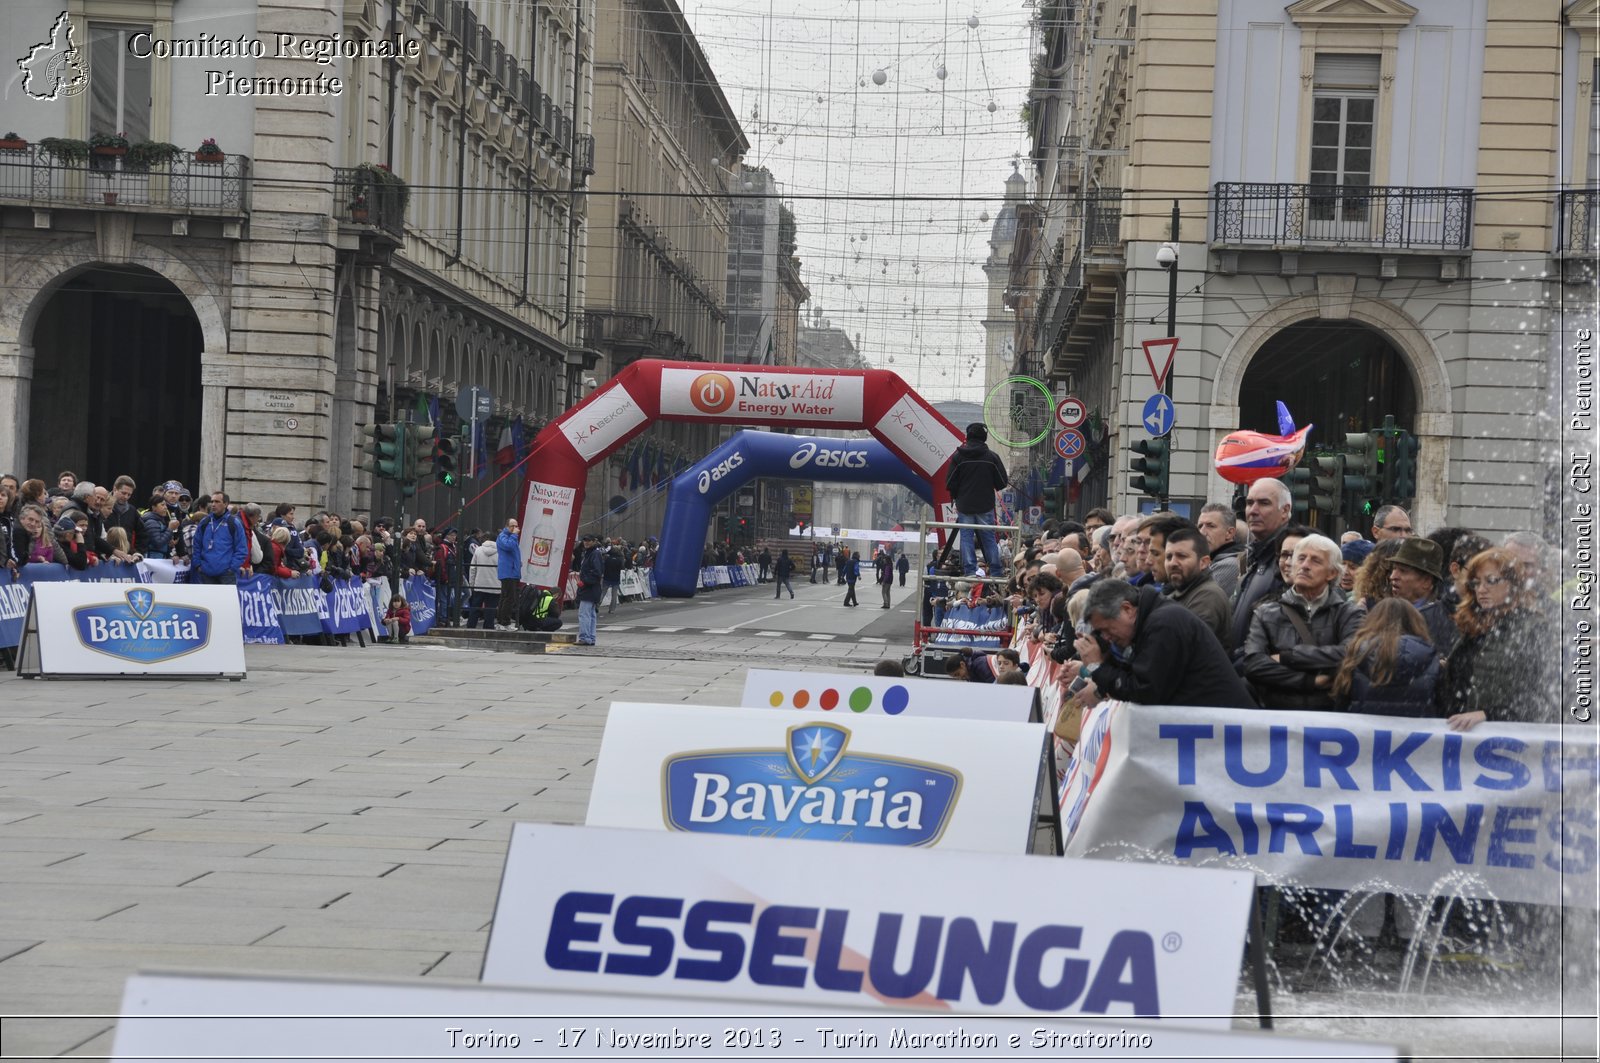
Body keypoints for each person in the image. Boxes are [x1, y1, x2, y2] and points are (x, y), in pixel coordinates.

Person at [1071, 579, 1254, 708]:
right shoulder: (1150, 621)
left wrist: (1097, 667)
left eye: (1107, 629)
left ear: (1127, 609)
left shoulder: (1164, 624)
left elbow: (1145, 692)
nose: (1106, 637)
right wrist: (1107, 658)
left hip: (1230, 736)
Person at [1241, 534, 1364, 711]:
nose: (1305, 566)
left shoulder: (1349, 614)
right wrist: (1310, 681)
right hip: (1276, 716)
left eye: (1315, 561)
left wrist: (1287, 657)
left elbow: (1351, 655)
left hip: (1330, 719)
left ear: (1332, 573)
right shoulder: (1266, 613)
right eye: (1301, 558)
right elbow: (1253, 664)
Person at [1440, 548, 1551, 728]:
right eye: (1476, 583)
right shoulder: (1473, 626)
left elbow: (1542, 696)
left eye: (1491, 581)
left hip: (1510, 740)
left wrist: (1488, 715)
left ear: (1513, 583)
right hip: (1462, 737)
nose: (1481, 590)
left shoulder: (1534, 627)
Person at [1331, 598, 1441, 717]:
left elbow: (1341, 708)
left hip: (1365, 733)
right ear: (1416, 622)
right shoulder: (1430, 657)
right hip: (1420, 732)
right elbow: (1443, 706)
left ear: (1372, 621)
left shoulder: (1356, 655)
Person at [1229, 478, 1294, 653]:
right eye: (1249, 503)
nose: (1253, 511)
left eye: (1264, 503)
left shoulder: (1292, 562)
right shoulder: (1253, 557)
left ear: (1285, 511)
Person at [945, 422, 1008, 578]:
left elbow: (950, 482)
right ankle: (995, 571)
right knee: (988, 538)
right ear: (984, 437)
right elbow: (1002, 481)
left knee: (966, 537)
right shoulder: (992, 457)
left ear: (968, 436)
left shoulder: (958, 457)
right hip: (985, 504)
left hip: (965, 504)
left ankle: (970, 571)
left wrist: (957, 495)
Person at [1162, 527, 1232, 652]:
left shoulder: (1209, 596)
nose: (1172, 563)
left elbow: (1182, 647)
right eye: (1168, 557)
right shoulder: (1177, 593)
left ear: (1204, 562)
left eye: (1181, 556)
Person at [1387, 537, 1460, 657]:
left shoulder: (1440, 620)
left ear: (1426, 581)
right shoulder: (1385, 609)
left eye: (1403, 571)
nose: (1393, 576)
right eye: (1394, 569)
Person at [190, 492, 249, 584]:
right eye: (212, 501)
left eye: (217, 502)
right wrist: (198, 565)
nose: (213, 504)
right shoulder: (204, 522)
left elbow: (241, 549)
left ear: (225, 504)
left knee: (226, 599)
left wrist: (232, 567)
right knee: (207, 598)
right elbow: (196, 545)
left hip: (227, 574)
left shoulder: (234, 523)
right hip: (206, 572)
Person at [1196, 502, 1244, 601]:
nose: (1202, 532)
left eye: (1210, 526)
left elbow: (1199, 600)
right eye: (1200, 526)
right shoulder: (1211, 560)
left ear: (1229, 533)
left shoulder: (1229, 565)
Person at [573, 532, 605, 645]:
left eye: (588, 540)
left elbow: (597, 572)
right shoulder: (591, 553)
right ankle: (590, 637)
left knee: (584, 614)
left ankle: (585, 637)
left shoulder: (593, 554)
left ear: (593, 541)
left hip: (589, 588)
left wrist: (584, 581)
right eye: (585, 540)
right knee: (591, 614)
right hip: (592, 588)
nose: (586, 542)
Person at [466, 534, 501, 629]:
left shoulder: (478, 550)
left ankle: (471, 626)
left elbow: (473, 568)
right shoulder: (501, 552)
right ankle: (488, 627)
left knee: (475, 606)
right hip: (495, 585)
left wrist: (471, 583)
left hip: (479, 584)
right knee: (491, 608)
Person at [494, 517, 521, 631]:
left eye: (516, 526)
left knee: (505, 597)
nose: (515, 528)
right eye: (512, 526)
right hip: (508, 572)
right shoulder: (504, 536)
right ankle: (505, 622)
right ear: (507, 526)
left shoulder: (510, 537)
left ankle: (501, 621)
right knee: (509, 598)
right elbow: (508, 547)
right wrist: (514, 535)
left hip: (512, 571)